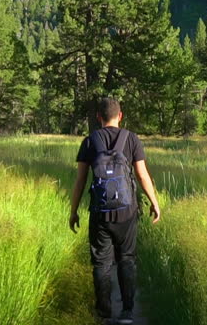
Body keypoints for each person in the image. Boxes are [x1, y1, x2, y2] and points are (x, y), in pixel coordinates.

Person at [69, 97, 161, 324]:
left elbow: (80, 180)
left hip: (100, 212)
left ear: (98, 117)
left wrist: (73, 211)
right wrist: (154, 202)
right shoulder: (131, 139)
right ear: (120, 116)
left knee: (101, 263)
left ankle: (104, 313)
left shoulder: (90, 141)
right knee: (127, 259)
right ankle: (128, 312)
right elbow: (142, 175)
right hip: (127, 212)